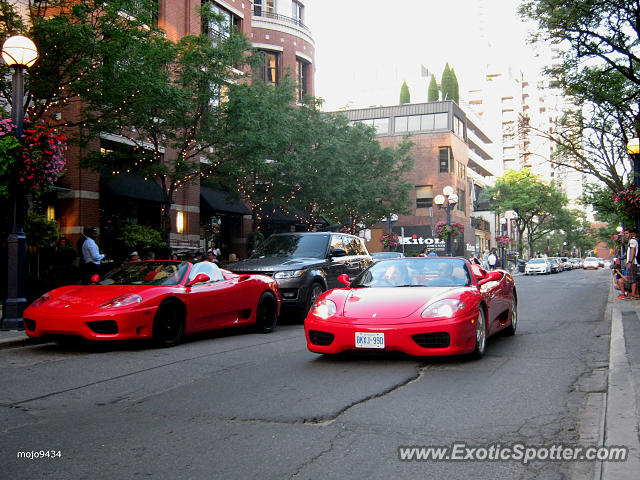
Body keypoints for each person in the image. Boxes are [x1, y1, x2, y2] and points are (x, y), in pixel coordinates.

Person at [625, 228, 639, 299]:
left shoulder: (632, 241)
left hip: (632, 262)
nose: (626, 235)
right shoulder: (632, 241)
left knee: (632, 279)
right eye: (625, 233)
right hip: (633, 262)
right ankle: (635, 293)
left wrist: (630, 262)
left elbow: (633, 251)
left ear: (631, 233)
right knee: (634, 279)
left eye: (627, 233)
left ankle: (633, 295)